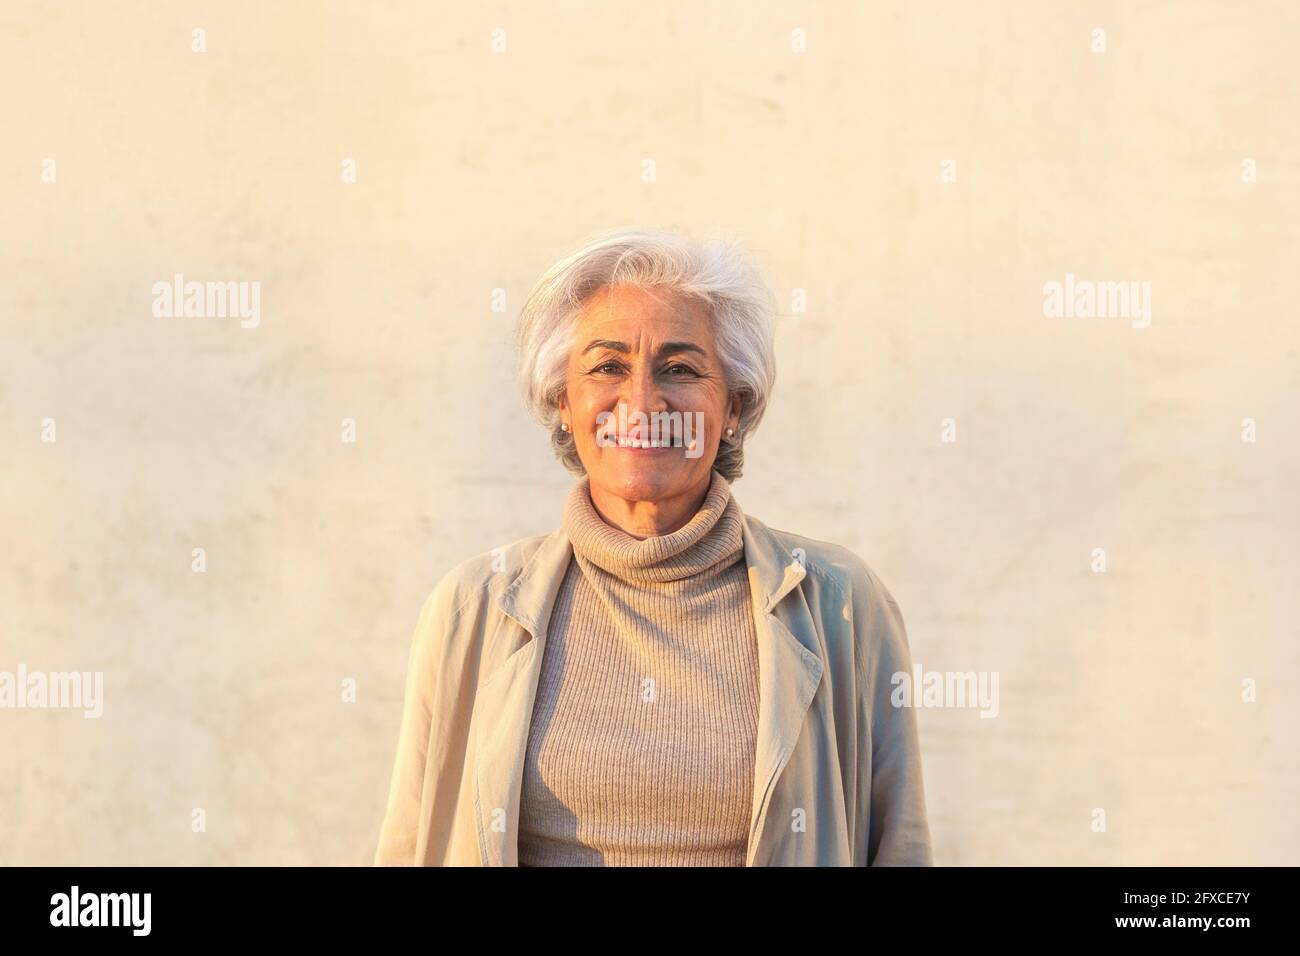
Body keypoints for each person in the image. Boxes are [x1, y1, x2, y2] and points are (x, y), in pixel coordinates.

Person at [374, 227, 934, 865]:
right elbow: (411, 841)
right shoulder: (472, 606)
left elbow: (901, 845)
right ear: (564, 400)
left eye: (680, 369)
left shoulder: (838, 602)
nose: (642, 402)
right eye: (608, 366)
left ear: (733, 407)